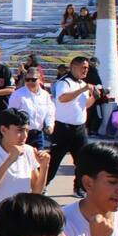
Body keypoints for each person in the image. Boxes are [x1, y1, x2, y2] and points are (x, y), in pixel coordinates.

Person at [46, 56, 96, 196]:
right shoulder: (65, 82)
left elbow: (85, 105)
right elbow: (62, 98)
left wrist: (95, 97)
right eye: (83, 67)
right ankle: (42, 184)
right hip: (63, 128)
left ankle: (79, 187)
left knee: (83, 160)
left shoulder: (83, 84)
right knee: (54, 160)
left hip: (79, 128)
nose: (86, 70)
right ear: (73, 67)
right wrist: (83, 89)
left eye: (87, 68)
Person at [8, 67, 54, 150]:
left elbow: (50, 112)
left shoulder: (45, 95)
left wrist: (49, 125)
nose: (30, 82)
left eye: (33, 79)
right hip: (21, 134)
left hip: (38, 134)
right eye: (27, 79)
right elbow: (11, 114)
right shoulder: (18, 94)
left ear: (40, 79)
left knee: (39, 160)